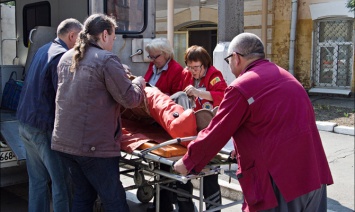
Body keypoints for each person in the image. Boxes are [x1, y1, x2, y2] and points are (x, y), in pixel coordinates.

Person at [174, 32, 334, 212]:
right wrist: (242, 144)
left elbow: (217, 131)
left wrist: (187, 162)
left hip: (281, 184)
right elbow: (274, 123)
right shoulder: (288, 78)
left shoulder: (241, 87)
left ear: (236, 58)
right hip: (314, 176)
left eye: (228, 61)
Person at [51, 14, 145, 212]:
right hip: (93, 146)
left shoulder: (66, 57)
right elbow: (130, 99)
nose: (114, 40)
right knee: (114, 200)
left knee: (83, 196)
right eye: (113, 36)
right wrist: (138, 83)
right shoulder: (106, 59)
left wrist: (120, 71)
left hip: (65, 143)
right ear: (104, 34)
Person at [16, 18, 83, 212]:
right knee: (61, 183)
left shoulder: (43, 49)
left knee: (37, 181)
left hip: (25, 123)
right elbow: (63, 99)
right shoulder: (62, 57)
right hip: (44, 127)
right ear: (72, 36)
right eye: (81, 39)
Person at [171, 45, 228, 212]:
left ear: (204, 65)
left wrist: (199, 93)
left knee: (209, 176)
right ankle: (185, 208)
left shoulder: (214, 76)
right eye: (189, 67)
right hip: (190, 130)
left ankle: (213, 209)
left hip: (208, 132)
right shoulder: (186, 75)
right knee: (183, 175)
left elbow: (223, 96)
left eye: (195, 67)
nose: (192, 71)